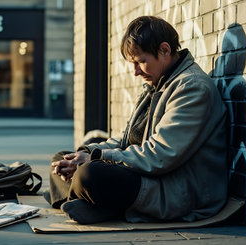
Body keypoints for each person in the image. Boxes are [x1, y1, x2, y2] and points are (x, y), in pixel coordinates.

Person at [46, 16, 228, 224]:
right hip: (145, 175)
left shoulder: (192, 88)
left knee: (89, 174)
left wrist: (96, 157)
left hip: (176, 191)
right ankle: (91, 204)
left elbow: (159, 156)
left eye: (141, 61)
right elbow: (125, 140)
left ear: (165, 50)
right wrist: (86, 153)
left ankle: (86, 202)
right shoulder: (157, 85)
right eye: (133, 63)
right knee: (63, 159)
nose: (135, 72)